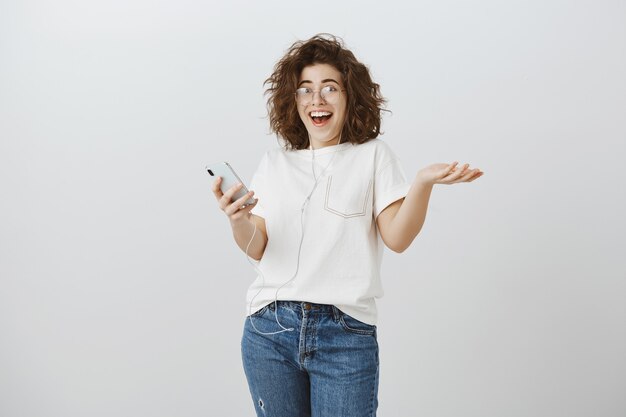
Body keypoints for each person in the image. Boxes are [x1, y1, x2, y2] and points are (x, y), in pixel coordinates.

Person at [211, 34, 483, 417]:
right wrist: (237, 220)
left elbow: (398, 237)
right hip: (269, 330)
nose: (316, 100)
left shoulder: (372, 156)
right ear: (294, 101)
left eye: (329, 89)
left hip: (345, 335)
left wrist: (421, 184)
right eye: (305, 90)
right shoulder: (275, 163)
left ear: (349, 96)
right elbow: (256, 245)